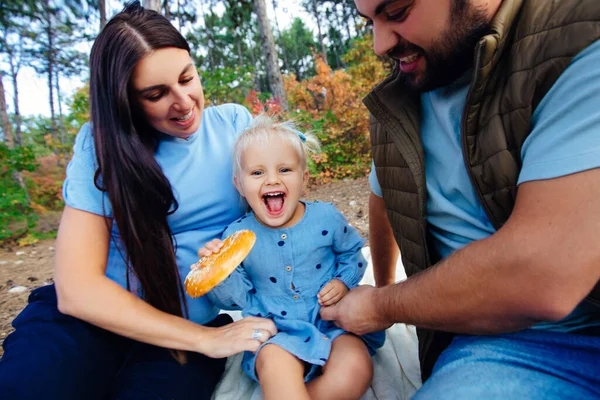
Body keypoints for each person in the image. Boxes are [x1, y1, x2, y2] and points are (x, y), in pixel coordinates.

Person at [320, 0, 600, 398]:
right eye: (369, 21)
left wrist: (379, 305)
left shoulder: (578, 37)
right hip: (501, 349)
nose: (379, 44)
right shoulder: (397, 104)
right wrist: (382, 286)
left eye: (397, 11)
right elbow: (382, 196)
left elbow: (543, 274)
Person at [0, 2, 277, 399]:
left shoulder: (233, 126)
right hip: (90, 322)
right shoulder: (100, 148)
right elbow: (78, 289)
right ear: (125, 101)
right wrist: (205, 342)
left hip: (186, 330)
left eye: (187, 78)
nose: (183, 102)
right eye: (156, 93)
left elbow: (280, 215)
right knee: (29, 386)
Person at [198, 115, 385, 400]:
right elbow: (232, 299)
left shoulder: (326, 217)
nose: (272, 179)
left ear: (304, 177)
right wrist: (218, 271)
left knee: (356, 367)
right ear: (239, 184)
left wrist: (344, 282)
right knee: (274, 365)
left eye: (284, 169)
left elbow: (352, 254)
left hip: (331, 322)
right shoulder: (237, 237)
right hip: (277, 331)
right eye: (257, 173)